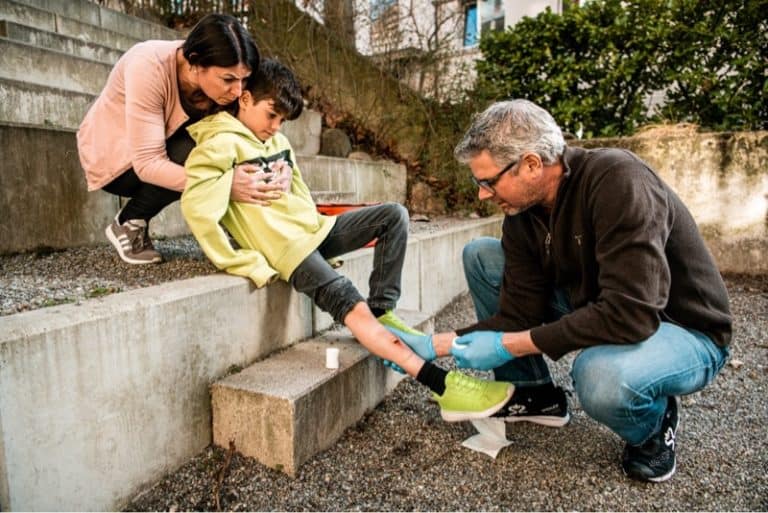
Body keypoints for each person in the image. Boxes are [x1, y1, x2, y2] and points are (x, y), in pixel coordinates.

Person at [386, 99, 732, 482]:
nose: (483, 194)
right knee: (483, 257)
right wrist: (434, 345)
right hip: (601, 302)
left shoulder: (618, 180)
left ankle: (653, 425)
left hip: (679, 327)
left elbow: (630, 314)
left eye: (489, 181)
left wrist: (506, 346)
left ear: (532, 164)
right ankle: (535, 393)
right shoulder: (522, 214)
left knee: (600, 377)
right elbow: (518, 315)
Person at [179, 58, 515, 421]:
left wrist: (291, 180)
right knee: (349, 303)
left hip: (315, 231)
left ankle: (382, 312)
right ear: (244, 99)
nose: (276, 128)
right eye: (271, 115)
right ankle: (443, 386)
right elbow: (197, 209)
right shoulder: (217, 146)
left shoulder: (274, 140)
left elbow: (300, 192)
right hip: (288, 251)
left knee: (393, 216)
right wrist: (239, 260)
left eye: (282, 121)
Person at [77, 13, 282, 265]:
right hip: (119, 161)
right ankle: (130, 220)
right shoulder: (148, 66)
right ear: (195, 63)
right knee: (203, 151)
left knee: (227, 136)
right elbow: (148, 163)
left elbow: (256, 130)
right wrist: (224, 185)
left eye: (244, 79)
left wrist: (282, 166)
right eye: (228, 79)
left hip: (170, 143)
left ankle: (251, 230)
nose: (238, 90)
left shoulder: (226, 81)